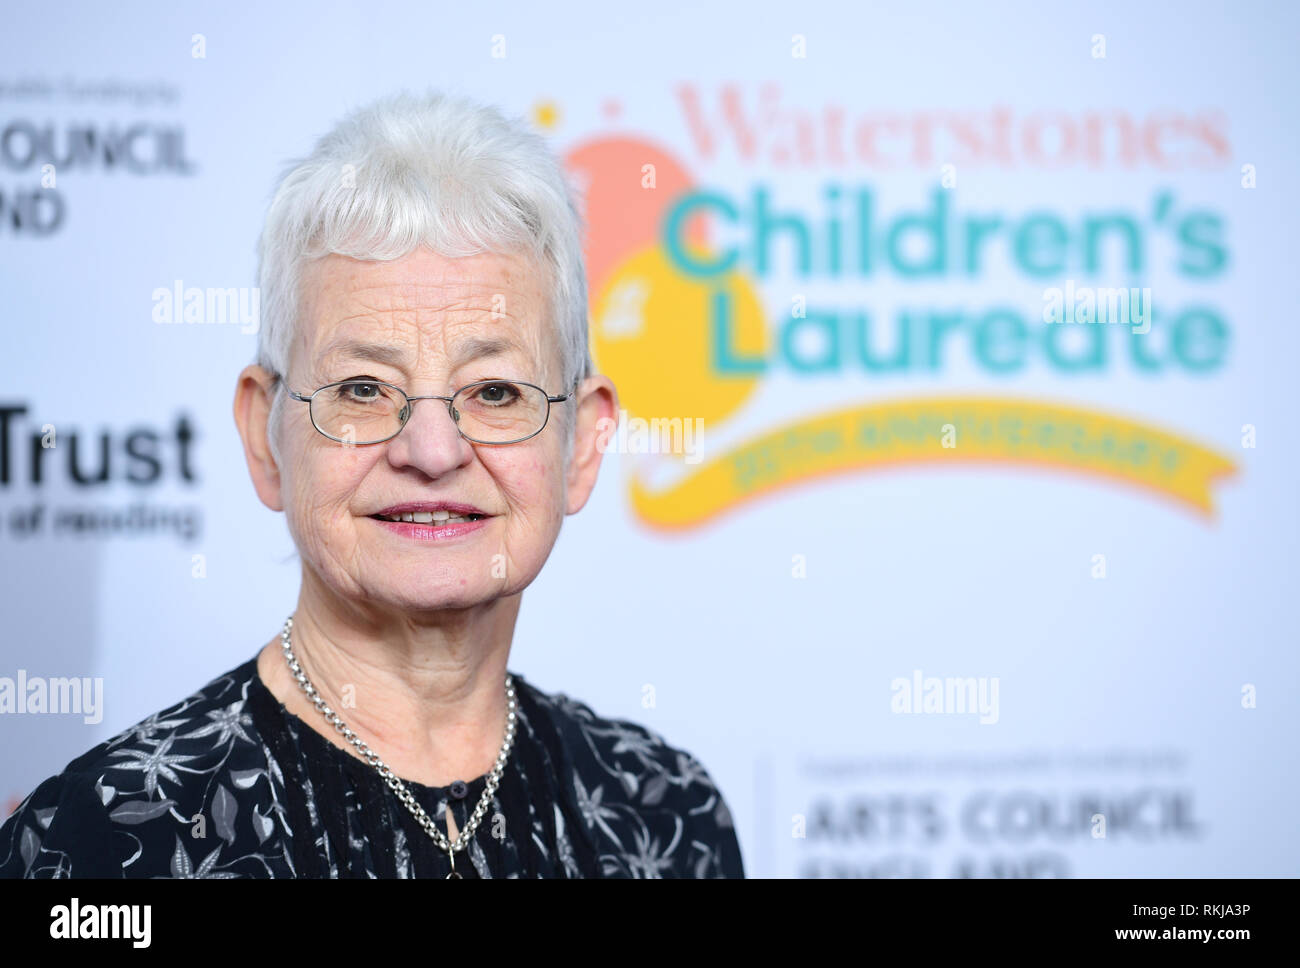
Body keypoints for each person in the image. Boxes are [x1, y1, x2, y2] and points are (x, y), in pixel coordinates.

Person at [0, 90, 744, 879]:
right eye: (362, 388)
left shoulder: (666, 816)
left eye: (495, 392)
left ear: (583, 444)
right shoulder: (102, 840)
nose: (432, 450)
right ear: (265, 435)